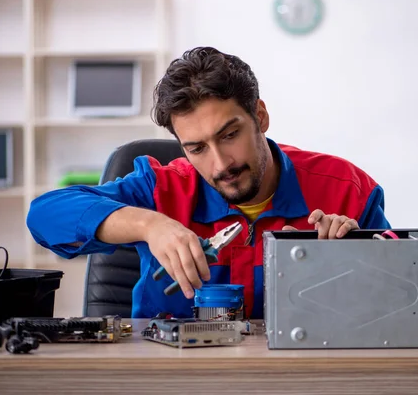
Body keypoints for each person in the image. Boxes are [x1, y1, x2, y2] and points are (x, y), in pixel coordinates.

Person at [26, 47, 391, 319]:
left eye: (230, 135)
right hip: (171, 379)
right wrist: (149, 224)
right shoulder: (158, 190)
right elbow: (44, 215)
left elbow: (400, 292)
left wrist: (357, 256)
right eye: (196, 148)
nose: (220, 165)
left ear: (260, 117)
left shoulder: (347, 189)